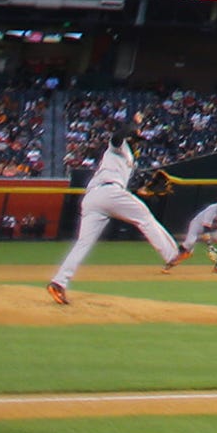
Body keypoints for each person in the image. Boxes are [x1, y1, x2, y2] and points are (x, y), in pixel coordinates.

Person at [47, 130, 180, 304]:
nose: (137, 145)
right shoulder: (118, 148)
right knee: (144, 217)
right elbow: (117, 136)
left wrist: (142, 191)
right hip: (108, 192)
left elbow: (124, 188)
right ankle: (172, 254)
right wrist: (131, 128)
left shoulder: (128, 161)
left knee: (83, 244)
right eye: (136, 141)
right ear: (130, 140)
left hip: (95, 198)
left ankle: (58, 283)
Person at [179, 192, 217, 274]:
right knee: (189, 243)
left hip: (212, 228)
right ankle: (173, 258)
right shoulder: (212, 209)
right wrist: (209, 244)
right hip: (197, 226)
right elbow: (205, 228)